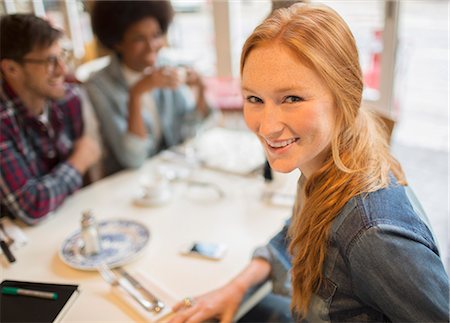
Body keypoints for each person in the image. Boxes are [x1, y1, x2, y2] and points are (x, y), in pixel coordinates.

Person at [169, 3, 449, 322]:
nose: (268, 126)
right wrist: (236, 286)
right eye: (254, 99)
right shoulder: (327, 164)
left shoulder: (373, 235)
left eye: (292, 99)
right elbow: (299, 231)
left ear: (347, 96)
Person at [84, 0, 210, 176]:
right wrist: (136, 94)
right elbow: (133, 158)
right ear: (117, 42)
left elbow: (190, 132)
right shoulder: (98, 87)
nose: (152, 46)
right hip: (127, 186)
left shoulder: (166, 68)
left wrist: (200, 88)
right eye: (139, 38)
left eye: (156, 35)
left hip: (169, 176)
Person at [0, 14, 101, 225]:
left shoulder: (69, 98)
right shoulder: (3, 121)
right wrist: (78, 161)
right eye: (49, 61)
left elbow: (86, 185)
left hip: (73, 219)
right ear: (11, 69)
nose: (63, 70)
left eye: (62, 55)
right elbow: (30, 206)